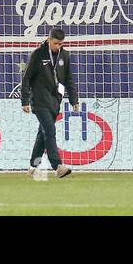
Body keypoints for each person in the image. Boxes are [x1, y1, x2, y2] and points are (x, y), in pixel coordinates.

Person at [20, 26, 79, 178]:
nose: (58, 46)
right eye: (56, 43)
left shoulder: (64, 55)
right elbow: (27, 77)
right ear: (49, 40)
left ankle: (33, 167)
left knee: (42, 134)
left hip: (54, 101)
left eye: (61, 44)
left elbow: (68, 79)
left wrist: (74, 100)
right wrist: (25, 100)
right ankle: (57, 166)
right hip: (39, 101)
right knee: (50, 130)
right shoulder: (38, 54)